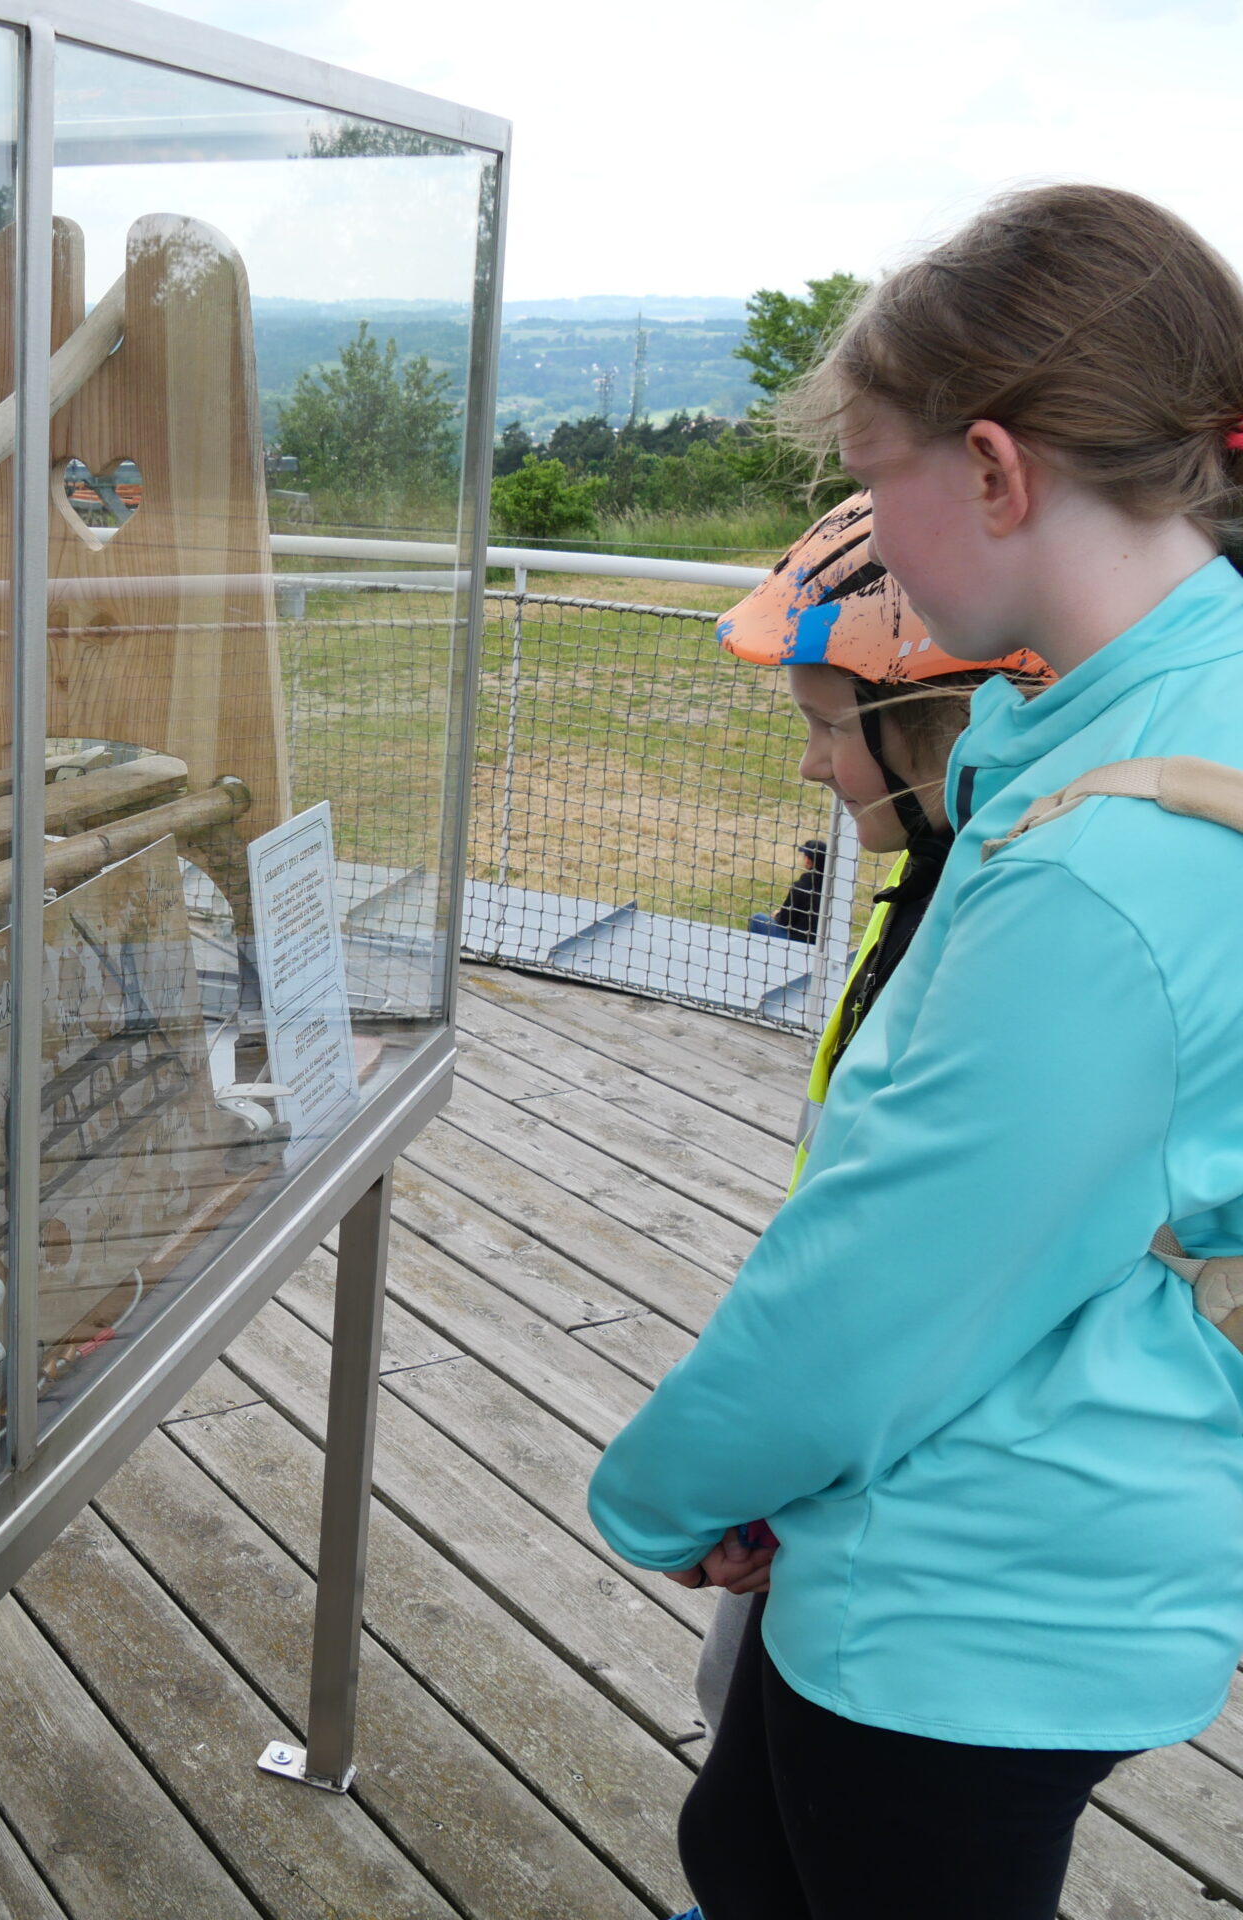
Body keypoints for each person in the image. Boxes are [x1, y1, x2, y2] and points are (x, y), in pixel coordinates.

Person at [590, 181, 1243, 1920]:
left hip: (971, 1587)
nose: (864, 520)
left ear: (996, 472)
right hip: (1058, 1508)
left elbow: (889, 1283)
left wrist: (668, 1494)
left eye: (873, 475)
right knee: (744, 1850)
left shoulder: (1111, 872)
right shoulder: (1158, 703)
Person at [691, 494, 1052, 1729]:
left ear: (944, 726)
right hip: (856, 1470)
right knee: (743, 1790)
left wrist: (749, 1472)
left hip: (917, 1523)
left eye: (824, 726)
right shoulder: (938, 895)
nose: (809, 764)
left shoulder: (1015, 941)